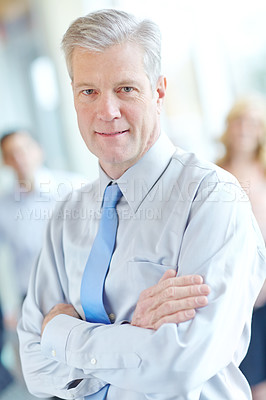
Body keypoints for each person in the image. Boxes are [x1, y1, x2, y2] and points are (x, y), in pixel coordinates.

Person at [17, 9, 265, 400]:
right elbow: (33, 365)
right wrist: (133, 341)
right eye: (89, 91)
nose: (107, 111)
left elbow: (181, 367)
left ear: (159, 92)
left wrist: (63, 334)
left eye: (126, 89)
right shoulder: (66, 217)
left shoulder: (213, 199)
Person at [0, 130, 87, 400]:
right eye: (11, 153)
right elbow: (8, 260)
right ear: (5, 161)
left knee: (82, 371)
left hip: (74, 294)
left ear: (39, 151)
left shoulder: (73, 189)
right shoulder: (4, 206)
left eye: (24, 149)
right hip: (32, 299)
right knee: (46, 377)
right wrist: (12, 305)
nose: (20, 157)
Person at [217, 95, 266, 400]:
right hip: (238, 294)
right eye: (238, 121)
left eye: (252, 123)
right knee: (252, 381)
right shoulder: (214, 173)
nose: (244, 129)